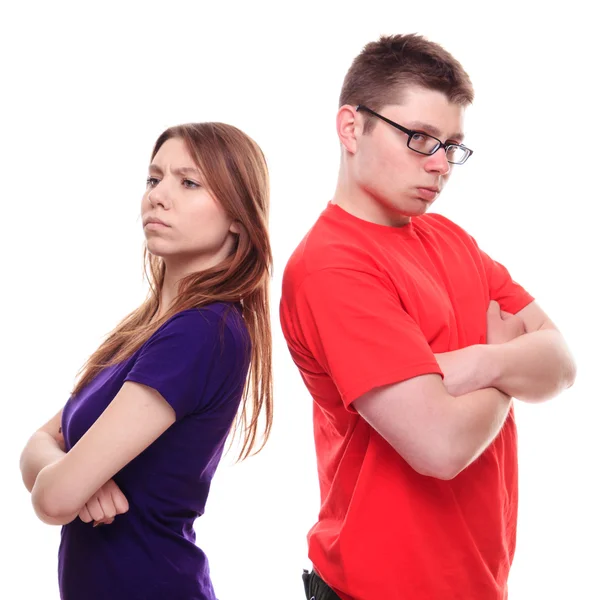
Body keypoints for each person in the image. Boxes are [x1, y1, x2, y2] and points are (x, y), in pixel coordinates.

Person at [280, 34, 576, 600]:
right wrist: (511, 369)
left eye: (452, 145)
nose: (441, 165)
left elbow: (562, 362)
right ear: (350, 128)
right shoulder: (332, 267)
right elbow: (439, 447)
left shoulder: (451, 239)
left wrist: (478, 361)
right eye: (419, 138)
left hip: (481, 583)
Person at [19, 122, 273, 600]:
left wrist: (70, 480)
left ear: (238, 217)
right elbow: (37, 444)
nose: (158, 196)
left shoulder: (201, 331)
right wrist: (80, 478)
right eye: (154, 179)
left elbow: (52, 499)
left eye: (188, 182)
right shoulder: (145, 327)